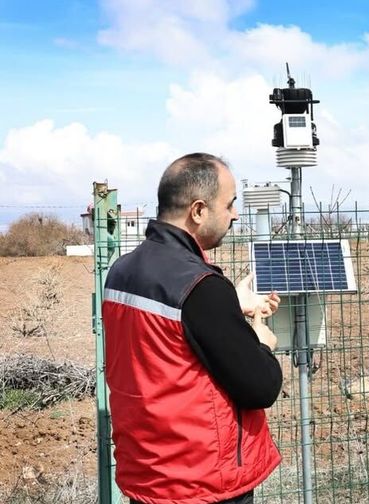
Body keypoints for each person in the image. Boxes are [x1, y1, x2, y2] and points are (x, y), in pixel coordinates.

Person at [102, 153, 283, 504]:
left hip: (149, 472)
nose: (235, 214)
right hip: (202, 482)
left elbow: (168, 345)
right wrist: (262, 342)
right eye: (230, 204)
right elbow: (260, 387)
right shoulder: (200, 286)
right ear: (198, 211)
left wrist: (229, 304)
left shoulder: (122, 271)